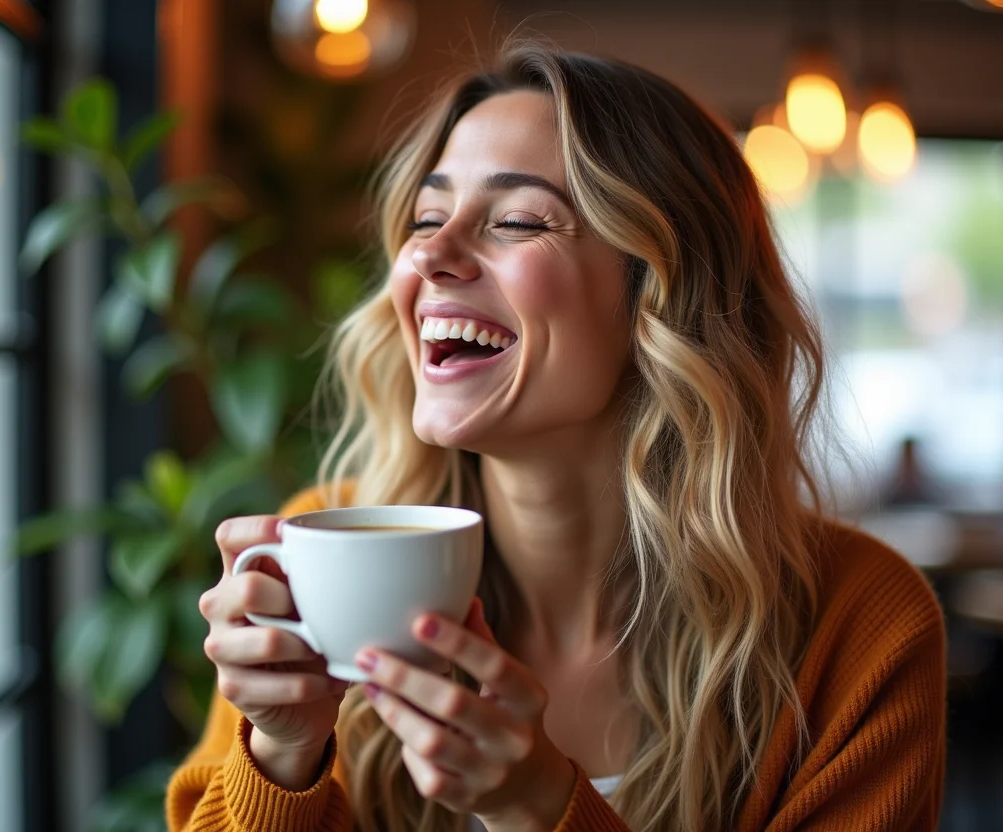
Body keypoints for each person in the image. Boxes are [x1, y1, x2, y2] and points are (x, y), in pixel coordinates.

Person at [168, 41, 946, 832]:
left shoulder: (860, 628)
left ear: (665, 300)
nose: (429, 254)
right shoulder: (328, 549)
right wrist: (282, 755)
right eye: (428, 217)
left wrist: (541, 809)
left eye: (516, 220)